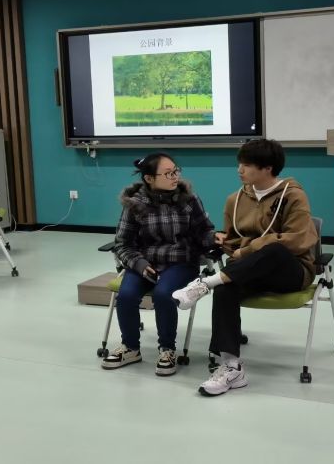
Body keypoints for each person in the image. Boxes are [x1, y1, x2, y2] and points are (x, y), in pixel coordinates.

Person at [172, 139, 318, 396]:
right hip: (248, 270)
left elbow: (296, 240)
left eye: (247, 165)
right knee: (225, 289)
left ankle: (205, 283)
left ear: (267, 168)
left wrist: (249, 249)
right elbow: (232, 243)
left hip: (291, 271)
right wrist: (233, 245)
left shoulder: (293, 195)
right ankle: (231, 366)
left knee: (275, 249)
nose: (240, 169)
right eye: (239, 163)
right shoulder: (235, 199)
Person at [101, 152, 217, 376]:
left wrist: (213, 238)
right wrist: (139, 264)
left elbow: (203, 231)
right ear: (149, 178)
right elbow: (123, 243)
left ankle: (167, 349)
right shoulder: (134, 204)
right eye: (168, 173)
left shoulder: (189, 199)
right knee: (126, 296)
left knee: (164, 295)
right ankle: (131, 348)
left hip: (180, 262)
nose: (175, 177)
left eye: (176, 171)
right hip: (145, 263)